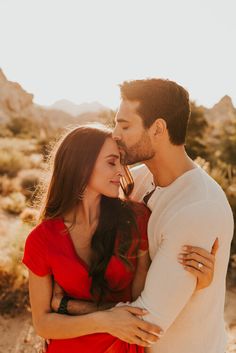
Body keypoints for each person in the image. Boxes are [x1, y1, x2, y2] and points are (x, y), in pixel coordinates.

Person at [22, 124, 215, 353]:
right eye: (112, 162)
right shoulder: (41, 240)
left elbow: (145, 304)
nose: (123, 172)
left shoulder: (135, 219)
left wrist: (196, 282)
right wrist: (105, 320)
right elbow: (43, 324)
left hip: (121, 347)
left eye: (122, 162)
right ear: (80, 165)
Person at [111, 78, 234, 353]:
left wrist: (64, 309)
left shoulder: (198, 208)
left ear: (158, 128)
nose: (114, 134)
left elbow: (146, 322)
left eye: (125, 125)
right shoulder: (138, 181)